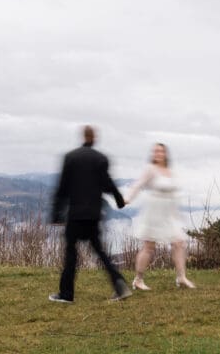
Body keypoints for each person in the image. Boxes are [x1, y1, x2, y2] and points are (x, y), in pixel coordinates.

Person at [49, 126, 132, 303]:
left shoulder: (71, 157)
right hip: (93, 215)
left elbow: (62, 188)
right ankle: (119, 284)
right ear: (94, 138)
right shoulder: (100, 159)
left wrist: (56, 214)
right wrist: (119, 201)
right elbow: (108, 184)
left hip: (76, 214)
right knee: (100, 252)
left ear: (83, 137)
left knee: (71, 253)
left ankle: (66, 294)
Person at [124, 143, 196, 290]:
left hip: (169, 213)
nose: (158, 153)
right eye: (155, 151)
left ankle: (181, 277)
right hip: (154, 212)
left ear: (165, 154)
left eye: (161, 151)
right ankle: (138, 280)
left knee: (179, 243)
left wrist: (177, 213)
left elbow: (174, 193)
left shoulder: (169, 171)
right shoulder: (151, 169)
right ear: (153, 154)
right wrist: (126, 199)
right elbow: (138, 185)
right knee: (149, 246)